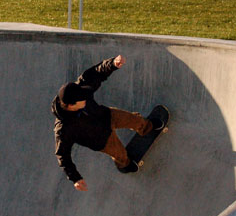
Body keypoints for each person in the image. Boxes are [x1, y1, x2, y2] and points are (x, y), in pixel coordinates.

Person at [51, 55, 164, 191]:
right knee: (120, 154)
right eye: (82, 100)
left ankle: (147, 128)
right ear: (70, 105)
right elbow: (62, 155)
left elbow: (96, 73)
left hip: (106, 116)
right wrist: (75, 178)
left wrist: (112, 64)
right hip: (102, 140)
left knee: (134, 120)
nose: (85, 99)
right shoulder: (63, 129)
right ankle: (124, 165)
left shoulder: (80, 88)